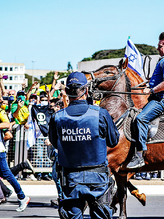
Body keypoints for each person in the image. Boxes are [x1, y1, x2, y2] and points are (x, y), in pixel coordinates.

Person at [49, 72, 119, 219]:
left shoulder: (57, 117)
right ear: (86, 91)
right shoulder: (100, 114)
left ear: (67, 92)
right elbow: (113, 141)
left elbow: (56, 143)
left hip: (70, 178)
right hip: (97, 178)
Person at [126, 29, 164, 169]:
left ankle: (139, 156)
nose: (158, 48)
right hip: (163, 97)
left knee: (140, 118)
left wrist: (151, 89)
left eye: (160, 45)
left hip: (162, 99)